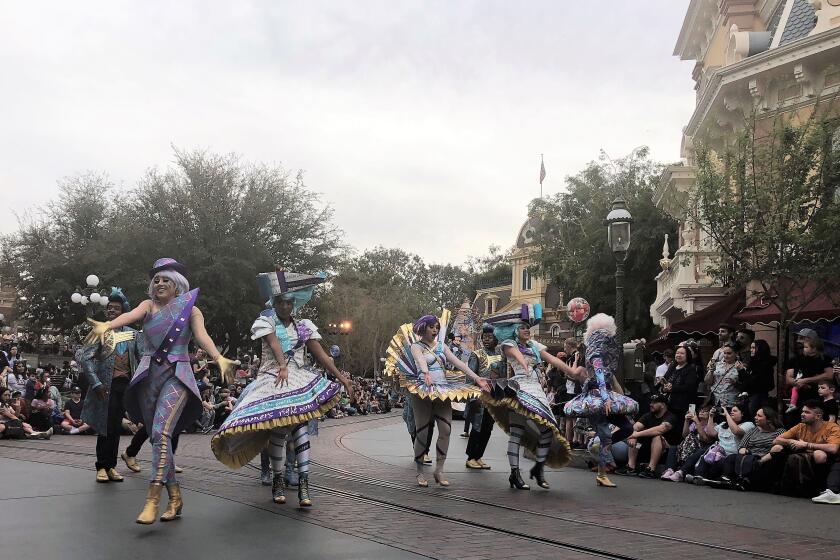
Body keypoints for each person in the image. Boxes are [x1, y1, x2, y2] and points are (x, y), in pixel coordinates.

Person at [85, 258, 238, 525]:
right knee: (158, 439)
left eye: (166, 279)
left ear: (178, 285)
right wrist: (107, 326)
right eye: (156, 280)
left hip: (177, 375)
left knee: (162, 432)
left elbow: (202, 336)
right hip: (148, 376)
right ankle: (175, 496)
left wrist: (218, 357)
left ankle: (152, 499)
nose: (160, 283)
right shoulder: (147, 306)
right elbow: (127, 317)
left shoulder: (191, 310)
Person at [211, 269, 353, 507]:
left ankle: (304, 483)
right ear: (274, 304)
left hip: (299, 379)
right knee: (277, 431)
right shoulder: (265, 322)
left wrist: (341, 377)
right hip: (272, 378)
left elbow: (321, 355)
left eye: (289, 302)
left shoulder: (304, 326)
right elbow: (275, 343)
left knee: (300, 430)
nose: (285, 307)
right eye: (281, 302)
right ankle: (277, 479)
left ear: (293, 303)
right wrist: (281, 367)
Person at [386, 312, 490, 488]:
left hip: (442, 389)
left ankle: (439, 470)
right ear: (423, 328)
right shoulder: (416, 346)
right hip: (423, 390)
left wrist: (477, 378)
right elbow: (420, 360)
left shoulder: (442, 346)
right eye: (431, 327)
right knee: (423, 431)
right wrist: (425, 372)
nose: (435, 330)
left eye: (436, 327)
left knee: (446, 429)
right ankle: (420, 471)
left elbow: (459, 363)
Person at [482, 304, 570, 491]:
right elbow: (514, 355)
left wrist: (572, 371)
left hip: (537, 390)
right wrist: (523, 362)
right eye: (522, 327)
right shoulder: (509, 344)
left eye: (528, 328)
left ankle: (538, 468)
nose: (526, 330)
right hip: (520, 388)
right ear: (515, 330)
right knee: (517, 432)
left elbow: (552, 360)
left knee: (547, 430)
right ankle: (515, 473)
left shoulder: (534, 346)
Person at [559, 314, 637, 487]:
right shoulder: (595, 353)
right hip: (595, 399)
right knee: (606, 433)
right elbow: (598, 370)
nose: (606, 337)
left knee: (627, 428)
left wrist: (620, 396)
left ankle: (600, 445)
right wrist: (604, 395)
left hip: (606, 396)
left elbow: (608, 375)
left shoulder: (604, 354)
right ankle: (602, 473)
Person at [75, 287, 142, 482]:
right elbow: (86, 359)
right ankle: (101, 467)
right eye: (110, 308)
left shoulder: (133, 334)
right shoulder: (101, 331)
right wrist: (95, 383)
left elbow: (142, 358)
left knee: (115, 427)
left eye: (116, 308)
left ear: (124, 311)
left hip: (125, 387)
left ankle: (111, 466)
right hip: (105, 386)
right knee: (104, 427)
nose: (111, 310)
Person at [769, 399, 840, 497]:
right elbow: (776, 440)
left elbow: (833, 448)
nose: (802, 414)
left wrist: (806, 444)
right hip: (804, 454)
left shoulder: (832, 427)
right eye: (802, 411)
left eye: (807, 412)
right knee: (776, 448)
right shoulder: (800, 426)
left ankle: (818, 489)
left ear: (818, 416)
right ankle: (780, 485)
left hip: (828, 459)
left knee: (819, 454)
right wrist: (791, 441)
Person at [717, 406, 783, 490]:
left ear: (769, 419)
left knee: (768, 461)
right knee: (731, 458)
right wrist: (744, 451)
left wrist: (761, 459)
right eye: (755, 415)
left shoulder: (779, 431)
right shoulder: (753, 430)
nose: (755, 417)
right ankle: (726, 478)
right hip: (749, 456)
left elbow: (780, 447)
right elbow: (741, 446)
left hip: (765, 458)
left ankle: (747, 482)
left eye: (759, 416)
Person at [465, 324, 502, 470]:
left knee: (488, 428)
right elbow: (470, 377)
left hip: (494, 397)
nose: (486, 340)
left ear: (496, 339)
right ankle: (470, 457)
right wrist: (473, 396)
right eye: (484, 337)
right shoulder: (476, 354)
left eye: (490, 337)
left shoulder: (500, 355)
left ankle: (479, 456)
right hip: (480, 397)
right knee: (477, 427)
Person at [616, 395, 676, 479]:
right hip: (645, 447)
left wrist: (636, 434)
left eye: (654, 402)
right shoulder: (648, 415)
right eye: (651, 402)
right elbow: (636, 426)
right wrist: (633, 434)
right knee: (635, 435)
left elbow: (660, 430)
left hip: (664, 449)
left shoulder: (670, 417)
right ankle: (630, 467)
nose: (651, 404)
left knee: (657, 436)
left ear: (663, 405)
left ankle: (651, 470)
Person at [785, 333, 833, 419]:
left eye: (803, 339)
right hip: (800, 398)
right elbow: (789, 379)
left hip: (818, 397)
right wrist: (799, 383)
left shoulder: (824, 358)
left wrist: (806, 380)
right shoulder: (795, 359)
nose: (800, 342)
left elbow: (829, 375)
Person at [738, 339, 775, 417]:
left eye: (754, 348)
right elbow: (745, 380)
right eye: (751, 348)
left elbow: (753, 382)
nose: (751, 350)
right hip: (750, 396)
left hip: (758, 397)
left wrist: (742, 370)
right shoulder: (753, 362)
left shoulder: (764, 365)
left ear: (761, 349)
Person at [660, 345, 698, 421]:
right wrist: (664, 388)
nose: (678, 355)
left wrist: (672, 388)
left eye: (682, 353)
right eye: (677, 353)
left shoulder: (691, 369)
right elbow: (664, 382)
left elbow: (689, 387)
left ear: (687, 356)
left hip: (684, 406)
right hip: (669, 404)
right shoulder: (672, 367)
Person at [705, 344, 743, 408]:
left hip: (731, 402)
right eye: (724, 353)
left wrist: (736, 382)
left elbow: (745, 385)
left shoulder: (740, 367)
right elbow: (707, 381)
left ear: (736, 353)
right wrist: (711, 371)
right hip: (715, 400)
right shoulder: (717, 365)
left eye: (729, 353)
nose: (726, 356)